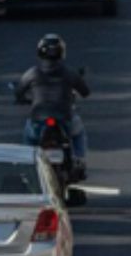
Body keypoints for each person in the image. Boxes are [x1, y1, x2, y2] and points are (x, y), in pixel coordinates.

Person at [14, 33, 90, 179]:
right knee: (78, 132)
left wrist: (22, 98)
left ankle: (27, 164)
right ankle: (79, 159)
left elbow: (19, 91)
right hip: (64, 118)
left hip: (38, 119)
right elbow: (85, 91)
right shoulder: (69, 72)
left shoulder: (32, 72)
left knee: (29, 138)